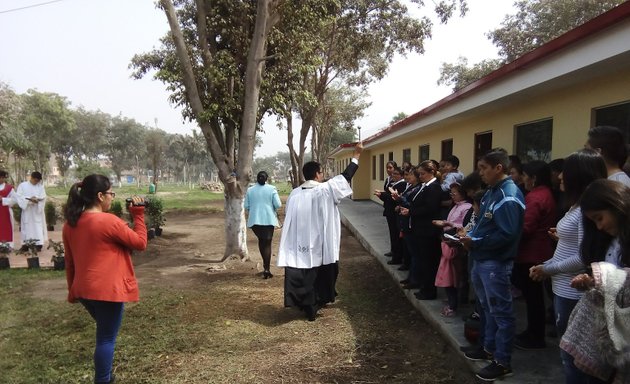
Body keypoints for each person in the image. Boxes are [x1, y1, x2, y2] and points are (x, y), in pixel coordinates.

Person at [529, 149, 608, 384]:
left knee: (572, 358)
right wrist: (549, 261)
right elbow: (574, 246)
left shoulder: (586, 209)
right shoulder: (576, 206)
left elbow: (584, 256)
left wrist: (548, 269)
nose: (560, 177)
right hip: (563, 286)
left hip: (572, 290)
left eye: (566, 172)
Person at [63, 174, 147, 384]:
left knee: (105, 332)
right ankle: (102, 380)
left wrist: (71, 290)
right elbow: (140, 243)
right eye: (111, 193)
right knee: (106, 339)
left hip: (84, 290)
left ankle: (106, 376)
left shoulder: (70, 224)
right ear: (100, 196)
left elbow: (70, 262)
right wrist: (138, 215)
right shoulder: (108, 221)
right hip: (107, 291)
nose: (112, 197)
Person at [277, 142, 363, 321]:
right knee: (323, 272)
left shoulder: (294, 194)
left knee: (305, 273)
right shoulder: (326, 189)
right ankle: (317, 302)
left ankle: (306, 304)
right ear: (317, 174)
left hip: (301, 243)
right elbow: (347, 175)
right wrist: (357, 155)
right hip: (322, 243)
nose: (323, 175)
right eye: (321, 172)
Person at [460, 148, 525, 382]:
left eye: (484, 168)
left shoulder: (508, 196)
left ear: (499, 168)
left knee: (501, 313)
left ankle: (502, 361)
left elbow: (507, 234)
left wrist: (475, 241)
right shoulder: (490, 192)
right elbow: (483, 225)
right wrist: (469, 237)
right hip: (481, 258)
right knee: (486, 308)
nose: (481, 173)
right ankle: (486, 347)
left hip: (495, 263)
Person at [559, 179, 630, 383]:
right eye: (594, 222)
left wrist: (604, 278)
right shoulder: (610, 240)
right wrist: (592, 281)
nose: (599, 227)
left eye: (600, 218)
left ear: (616, 205)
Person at [512, 161, 556, 350]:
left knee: (533, 298)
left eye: (525, 175)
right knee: (534, 297)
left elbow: (526, 227)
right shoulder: (545, 194)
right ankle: (532, 331)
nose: (523, 179)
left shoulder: (535, 197)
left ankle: (535, 336)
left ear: (534, 178)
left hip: (531, 253)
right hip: (539, 251)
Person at [433, 183, 472, 316]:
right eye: (451, 193)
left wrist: (448, 224)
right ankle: (454, 299)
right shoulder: (455, 206)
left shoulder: (466, 207)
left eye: (454, 193)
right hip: (448, 240)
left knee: (455, 274)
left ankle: (455, 302)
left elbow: (464, 225)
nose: (452, 195)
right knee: (451, 273)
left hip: (456, 244)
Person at [244, 170, 282, 279]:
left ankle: (266, 268)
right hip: (268, 219)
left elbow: (246, 206)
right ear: (267, 179)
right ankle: (266, 269)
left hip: (255, 221)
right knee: (267, 243)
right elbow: (278, 204)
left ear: (257, 178)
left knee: (262, 241)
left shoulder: (250, 190)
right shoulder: (271, 189)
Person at [375, 165, 406, 265]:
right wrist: (382, 195)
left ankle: (397, 257)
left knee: (396, 235)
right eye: (393, 174)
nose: (393, 175)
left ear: (401, 176)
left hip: (394, 212)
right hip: (390, 212)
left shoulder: (401, 184)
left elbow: (392, 199)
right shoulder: (394, 183)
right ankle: (394, 252)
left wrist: (382, 194)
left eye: (396, 174)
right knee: (393, 234)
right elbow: (388, 197)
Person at [16, 171, 47, 251]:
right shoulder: (23, 185)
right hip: (27, 210)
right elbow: (19, 197)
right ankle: (25, 244)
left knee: (37, 227)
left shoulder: (40, 186)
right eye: (35, 180)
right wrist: (29, 200)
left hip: (36, 211)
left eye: (38, 181)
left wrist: (38, 200)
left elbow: (43, 197)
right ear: (31, 178)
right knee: (26, 228)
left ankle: (38, 244)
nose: (36, 182)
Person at [0, 170, 17, 248]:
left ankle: (6, 246)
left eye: (3, 178)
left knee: (6, 229)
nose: (1, 179)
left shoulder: (9, 188)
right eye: (0, 177)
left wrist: (3, 200)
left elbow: (14, 200)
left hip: (5, 212)